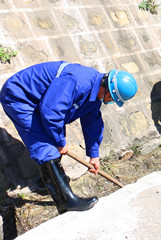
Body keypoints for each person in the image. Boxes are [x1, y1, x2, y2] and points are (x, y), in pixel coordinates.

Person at [0, 62, 138, 214]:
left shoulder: (93, 92)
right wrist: (59, 142)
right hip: (20, 96)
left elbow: (92, 122)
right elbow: (51, 112)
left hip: (41, 102)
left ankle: (51, 183)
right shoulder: (79, 82)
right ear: (108, 90)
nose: (108, 101)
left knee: (55, 139)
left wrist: (94, 155)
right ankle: (66, 202)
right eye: (111, 98)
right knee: (45, 146)